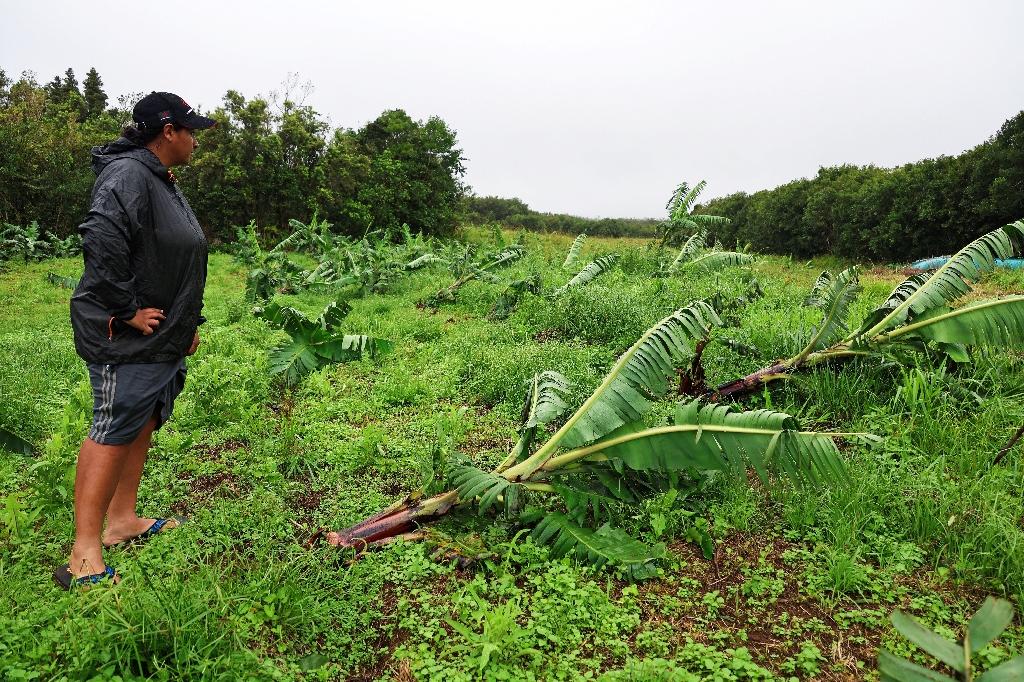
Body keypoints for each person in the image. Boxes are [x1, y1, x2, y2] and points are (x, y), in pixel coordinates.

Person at [53, 92, 216, 590]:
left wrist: (183, 326)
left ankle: (122, 521)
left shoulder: (159, 180)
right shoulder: (127, 176)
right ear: (167, 131)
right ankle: (84, 554)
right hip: (123, 340)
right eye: (190, 130)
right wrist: (126, 311)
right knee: (114, 426)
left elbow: (171, 258)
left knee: (140, 421)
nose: (194, 139)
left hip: (162, 339)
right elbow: (102, 238)